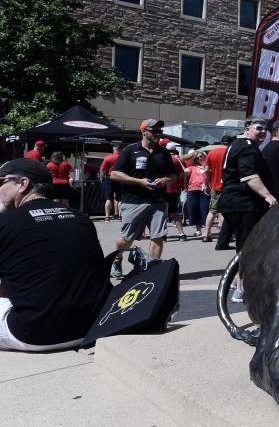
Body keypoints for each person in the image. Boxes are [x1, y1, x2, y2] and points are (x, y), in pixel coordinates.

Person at [0, 159, 112, 351]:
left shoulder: (6, 222)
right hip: (94, 325)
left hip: (35, 333)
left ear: (23, 184)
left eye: (1, 182)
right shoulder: (80, 218)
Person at [109, 119, 177, 278]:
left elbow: (173, 176)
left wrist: (166, 180)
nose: (158, 134)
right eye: (154, 131)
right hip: (134, 201)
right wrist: (138, 181)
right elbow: (114, 174)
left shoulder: (164, 153)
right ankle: (117, 259)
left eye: (160, 131)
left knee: (157, 237)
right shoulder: (130, 150)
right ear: (143, 131)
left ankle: (151, 271)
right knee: (126, 239)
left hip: (158, 201)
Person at [219, 118, 277, 303]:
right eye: (258, 128)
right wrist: (267, 195)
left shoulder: (236, 144)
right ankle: (241, 288)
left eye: (265, 129)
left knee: (245, 246)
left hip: (234, 202)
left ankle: (241, 285)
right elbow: (249, 175)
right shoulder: (247, 146)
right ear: (247, 129)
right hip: (244, 203)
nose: (263, 132)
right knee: (247, 247)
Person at [202, 134, 233, 246]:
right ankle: (222, 234)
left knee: (212, 211)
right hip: (229, 186)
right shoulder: (232, 152)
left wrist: (206, 184)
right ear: (231, 142)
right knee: (224, 211)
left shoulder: (212, 153)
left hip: (215, 186)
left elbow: (205, 171)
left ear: (221, 142)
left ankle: (206, 234)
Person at [160, 140, 187, 242]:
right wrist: (182, 185)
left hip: (162, 189)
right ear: (175, 149)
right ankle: (181, 234)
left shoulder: (162, 158)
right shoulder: (176, 159)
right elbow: (182, 174)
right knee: (175, 213)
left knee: (162, 213)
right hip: (173, 190)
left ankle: (163, 235)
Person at [185, 151, 210, 237]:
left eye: (201, 156)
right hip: (193, 190)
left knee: (205, 210)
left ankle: (207, 231)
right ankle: (198, 230)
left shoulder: (208, 167)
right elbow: (184, 171)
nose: (200, 158)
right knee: (194, 210)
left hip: (204, 190)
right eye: (198, 157)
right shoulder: (192, 167)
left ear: (204, 157)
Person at [100, 144, 121, 222]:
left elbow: (102, 170)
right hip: (120, 178)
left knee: (109, 199)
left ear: (113, 149)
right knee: (120, 199)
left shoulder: (108, 158)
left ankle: (107, 217)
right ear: (120, 149)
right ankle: (120, 216)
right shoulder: (122, 158)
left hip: (109, 178)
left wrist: (101, 179)